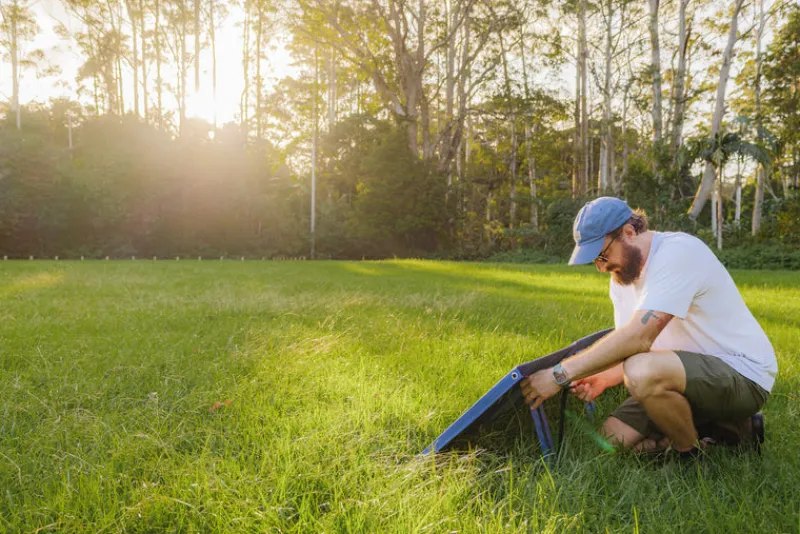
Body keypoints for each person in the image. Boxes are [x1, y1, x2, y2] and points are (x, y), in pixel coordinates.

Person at [520, 197, 777, 457]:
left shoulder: (679, 253)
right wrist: (604, 378)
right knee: (610, 440)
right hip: (682, 376)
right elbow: (628, 350)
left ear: (629, 232)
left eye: (602, 255)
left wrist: (559, 374)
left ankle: (688, 453)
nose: (601, 267)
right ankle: (730, 430)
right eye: (594, 261)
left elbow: (638, 339)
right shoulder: (621, 280)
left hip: (741, 374)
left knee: (641, 371)